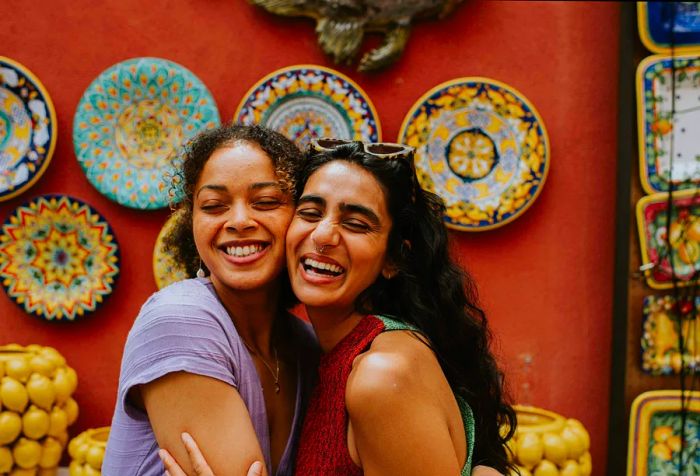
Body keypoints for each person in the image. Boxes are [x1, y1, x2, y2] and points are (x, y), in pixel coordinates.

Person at [160, 138, 516, 475]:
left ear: (394, 258)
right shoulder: (323, 354)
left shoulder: (382, 375)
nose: (324, 236)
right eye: (311, 213)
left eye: (356, 224)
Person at [103, 124, 318, 476]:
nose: (239, 221)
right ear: (192, 222)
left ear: (299, 216)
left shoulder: (305, 347)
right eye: (214, 206)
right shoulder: (179, 320)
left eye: (264, 202)